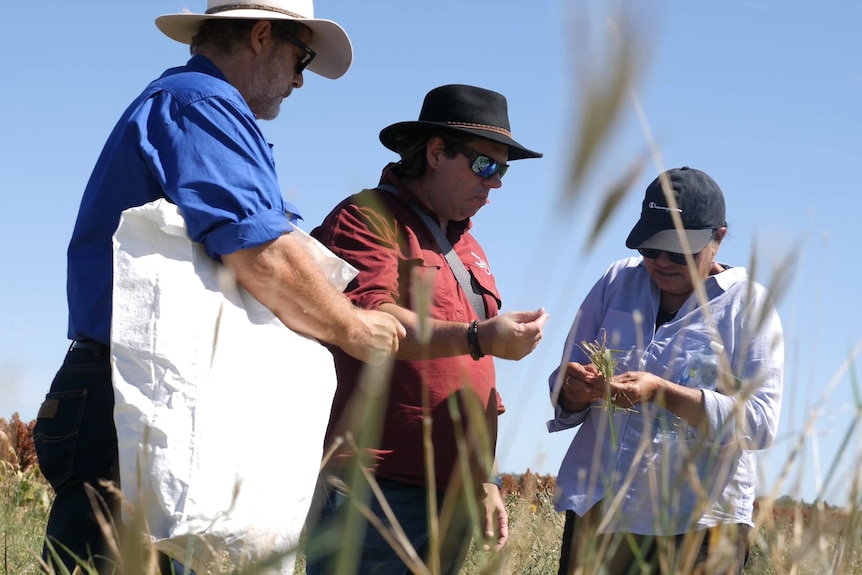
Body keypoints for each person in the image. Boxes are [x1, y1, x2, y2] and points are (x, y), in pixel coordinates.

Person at [32, 1, 405, 573]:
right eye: (300, 56)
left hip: (143, 388)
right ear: (260, 36)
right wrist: (355, 327)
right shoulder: (204, 104)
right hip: (130, 390)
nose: (301, 78)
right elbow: (260, 252)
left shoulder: (193, 105)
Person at [304, 84, 549, 575]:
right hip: (375, 490)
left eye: (503, 170)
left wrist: (486, 480)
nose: (495, 183)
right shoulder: (367, 217)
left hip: (452, 494)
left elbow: (476, 376)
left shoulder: (469, 247)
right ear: (437, 152)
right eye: (486, 165)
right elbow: (371, 322)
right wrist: (479, 336)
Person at [548, 166, 784, 574]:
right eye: (651, 247)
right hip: (602, 509)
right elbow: (563, 384)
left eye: (679, 252)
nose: (661, 262)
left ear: (719, 238)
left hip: (702, 527)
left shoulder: (748, 306)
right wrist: (574, 389)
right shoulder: (616, 282)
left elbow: (760, 423)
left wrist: (662, 393)